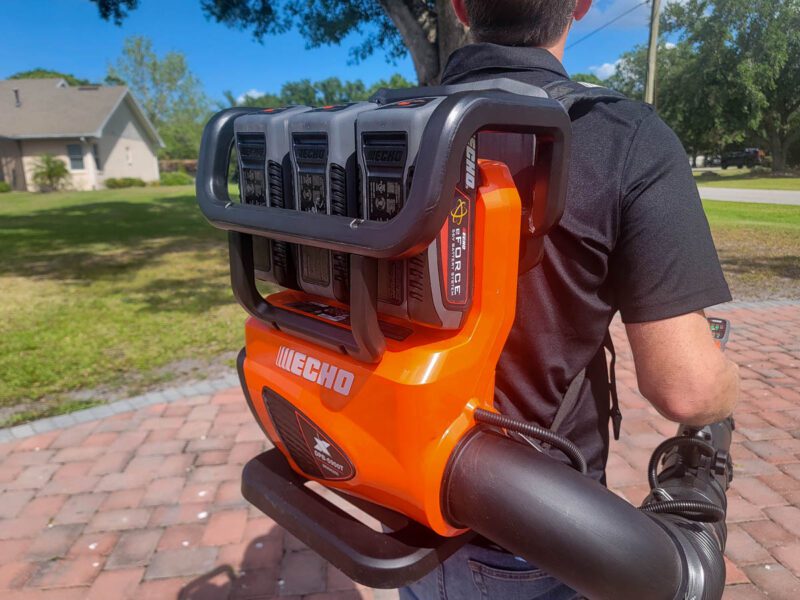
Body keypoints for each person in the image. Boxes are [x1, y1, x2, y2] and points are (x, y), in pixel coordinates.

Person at [400, 1, 740, 598]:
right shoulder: (625, 136)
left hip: (400, 501)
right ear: (580, 5)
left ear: (458, 6)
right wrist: (726, 388)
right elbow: (685, 388)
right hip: (537, 531)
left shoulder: (389, 121)